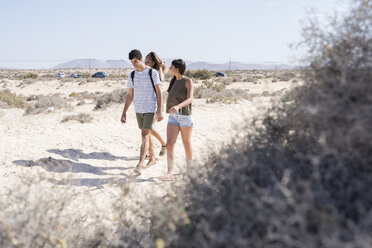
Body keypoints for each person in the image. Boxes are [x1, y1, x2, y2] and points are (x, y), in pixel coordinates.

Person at [121, 49, 163, 175]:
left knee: (144, 135)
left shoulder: (152, 73)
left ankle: (140, 163)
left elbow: (159, 93)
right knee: (146, 134)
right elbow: (130, 95)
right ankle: (153, 158)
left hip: (150, 108)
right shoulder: (132, 75)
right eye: (132, 62)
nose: (134, 64)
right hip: (138, 109)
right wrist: (124, 112)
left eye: (135, 61)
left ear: (140, 59)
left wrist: (160, 111)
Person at [162, 59, 193, 181]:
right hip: (173, 117)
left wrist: (178, 106)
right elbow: (160, 78)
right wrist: (162, 67)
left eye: (171, 67)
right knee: (170, 144)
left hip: (185, 116)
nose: (170, 68)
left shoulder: (188, 81)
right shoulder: (173, 80)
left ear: (178, 69)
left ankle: (189, 170)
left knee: (186, 143)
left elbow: (190, 98)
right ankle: (170, 172)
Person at [144, 51, 167, 157]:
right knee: (147, 128)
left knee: (148, 128)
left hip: (155, 103)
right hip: (146, 103)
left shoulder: (157, 72)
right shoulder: (146, 72)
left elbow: (161, 79)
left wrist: (161, 67)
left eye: (147, 61)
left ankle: (163, 144)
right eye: (145, 61)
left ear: (153, 63)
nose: (145, 63)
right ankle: (150, 150)